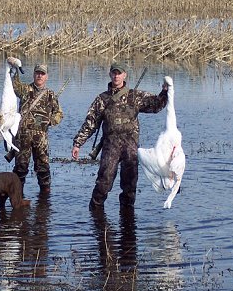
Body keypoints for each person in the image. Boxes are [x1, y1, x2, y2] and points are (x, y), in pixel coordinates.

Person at [71, 63, 168, 210]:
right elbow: (90, 123)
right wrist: (78, 143)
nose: (116, 76)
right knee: (104, 181)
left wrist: (165, 91)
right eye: (114, 73)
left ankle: (127, 219)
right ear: (110, 75)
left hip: (130, 147)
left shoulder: (135, 96)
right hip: (110, 147)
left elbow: (156, 105)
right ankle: (95, 215)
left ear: (124, 75)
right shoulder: (102, 99)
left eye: (119, 73)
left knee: (130, 185)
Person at [7, 58, 63, 193]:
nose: (39, 76)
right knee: (21, 168)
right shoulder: (25, 89)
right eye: (37, 73)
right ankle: (17, 195)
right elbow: (14, 84)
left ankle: (44, 199)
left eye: (42, 74)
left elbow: (59, 114)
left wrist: (50, 121)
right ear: (33, 74)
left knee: (43, 167)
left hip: (41, 138)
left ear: (46, 77)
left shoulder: (50, 95)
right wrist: (14, 68)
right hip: (23, 136)